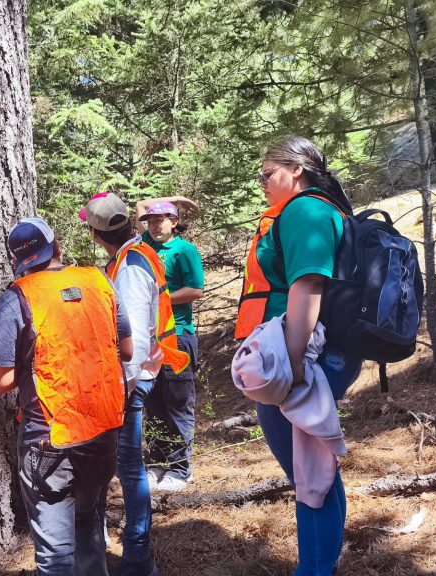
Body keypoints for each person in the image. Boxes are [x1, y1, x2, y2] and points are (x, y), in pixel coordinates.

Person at [235, 135, 362, 575]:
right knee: (314, 470)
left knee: (310, 478)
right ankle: (321, 561)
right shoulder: (312, 209)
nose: (263, 182)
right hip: (310, 354)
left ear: (297, 170)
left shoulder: (306, 209)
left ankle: (314, 569)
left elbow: (308, 286)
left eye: (268, 173)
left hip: (308, 357)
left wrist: (290, 368)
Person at [0, 217, 133, 576]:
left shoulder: (16, 296)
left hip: (48, 439)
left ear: (17, 261)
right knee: (88, 523)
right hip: (103, 430)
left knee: (54, 556)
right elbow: (126, 350)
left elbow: (0, 383)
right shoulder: (99, 281)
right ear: (57, 248)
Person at [81, 193, 190, 576]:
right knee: (124, 465)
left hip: (133, 378)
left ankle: (138, 558)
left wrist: (125, 388)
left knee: (129, 468)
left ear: (96, 235)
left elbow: (136, 339)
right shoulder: (135, 254)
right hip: (141, 372)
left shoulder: (129, 266)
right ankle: (129, 551)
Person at [135, 197, 204, 491]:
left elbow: (196, 290)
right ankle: (157, 463)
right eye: (151, 221)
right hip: (150, 338)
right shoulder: (144, 247)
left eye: (161, 220)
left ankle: (180, 469)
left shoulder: (184, 250)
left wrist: (159, 298)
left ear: (174, 222)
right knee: (154, 402)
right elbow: (139, 205)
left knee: (177, 404)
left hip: (177, 335)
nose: (155, 225)